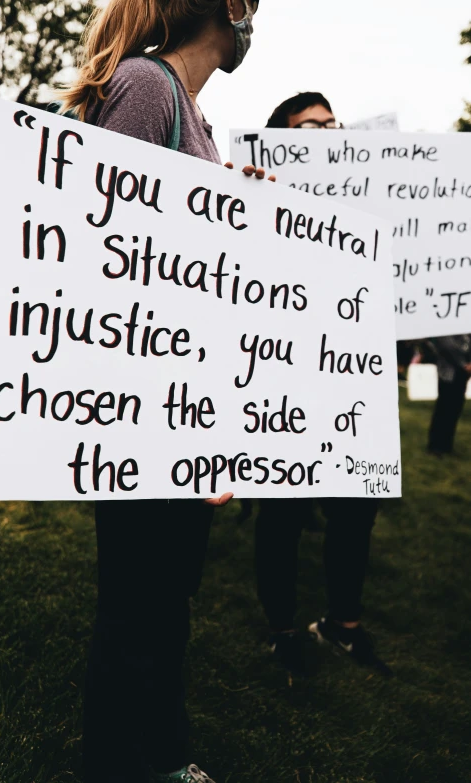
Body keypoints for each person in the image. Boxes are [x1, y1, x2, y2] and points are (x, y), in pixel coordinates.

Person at [57, 2, 272, 781]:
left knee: (166, 598)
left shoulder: (195, 115)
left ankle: (163, 755)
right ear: (227, 8)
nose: (259, 20)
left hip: (180, 414)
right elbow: (97, 246)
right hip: (140, 414)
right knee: (137, 606)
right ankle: (119, 763)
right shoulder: (149, 89)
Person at [256, 92, 391, 679]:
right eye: (308, 128)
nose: (325, 134)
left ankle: (342, 623)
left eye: (332, 126)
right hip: (285, 375)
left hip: (354, 380)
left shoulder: (368, 209)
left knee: (356, 510)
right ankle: (283, 629)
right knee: (283, 511)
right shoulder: (258, 201)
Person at [427, 334, 471, 456]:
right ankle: (435, 446)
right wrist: (464, 365)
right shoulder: (447, 328)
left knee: (455, 409)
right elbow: (446, 346)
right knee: (443, 409)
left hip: (462, 375)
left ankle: (446, 444)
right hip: (448, 374)